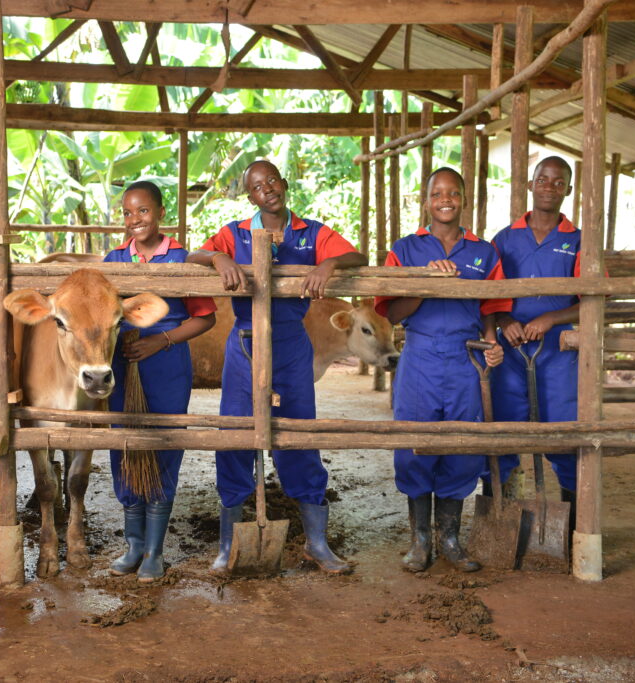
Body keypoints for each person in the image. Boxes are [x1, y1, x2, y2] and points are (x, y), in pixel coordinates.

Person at [188, 159, 366, 575]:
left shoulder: (311, 233)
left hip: (290, 344)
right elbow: (194, 253)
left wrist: (328, 264)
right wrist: (218, 257)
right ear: (250, 196)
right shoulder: (234, 233)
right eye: (256, 186)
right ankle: (228, 544)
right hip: (245, 343)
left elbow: (356, 256)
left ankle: (317, 544)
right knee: (234, 435)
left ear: (284, 184)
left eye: (271, 180)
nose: (266, 188)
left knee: (299, 434)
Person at [375, 167, 509, 573]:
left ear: (464, 199)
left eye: (453, 193)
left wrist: (492, 343)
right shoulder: (405, 249)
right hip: (420, 357)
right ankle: (419, 541)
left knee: (462, 446)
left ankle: (449, 538)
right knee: (414, 444)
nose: (445, 200)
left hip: (466, 359)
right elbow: (392, 313)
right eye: (437, 193)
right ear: (426, 201)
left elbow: (491, 308)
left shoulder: (484, 251)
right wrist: (425, 281)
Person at [104, 180, 217, 582]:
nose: (135, 219)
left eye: (143, 210)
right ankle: (133, 545)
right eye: (127, 212)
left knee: (166, 442)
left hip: (167, 362)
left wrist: (160, 340)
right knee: (123, 443)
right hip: (122, 361)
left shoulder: (181, 259)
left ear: (161, 213)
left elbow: (206, 318)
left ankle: (154, 550)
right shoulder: (113, 259)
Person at [486, 156, 581, 520]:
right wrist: (505, 319)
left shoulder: (578, 240)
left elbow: (593, 299)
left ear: (568, 190)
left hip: (559, 353)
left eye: (558, 182)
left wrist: (552, 318)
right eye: (542, 179)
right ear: (530, 185)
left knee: (563, 433)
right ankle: (501, 516)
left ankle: (573, 525)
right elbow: (488, 293)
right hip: (511, 352)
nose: (549, 187)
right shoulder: (505, 239)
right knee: (504, 430)